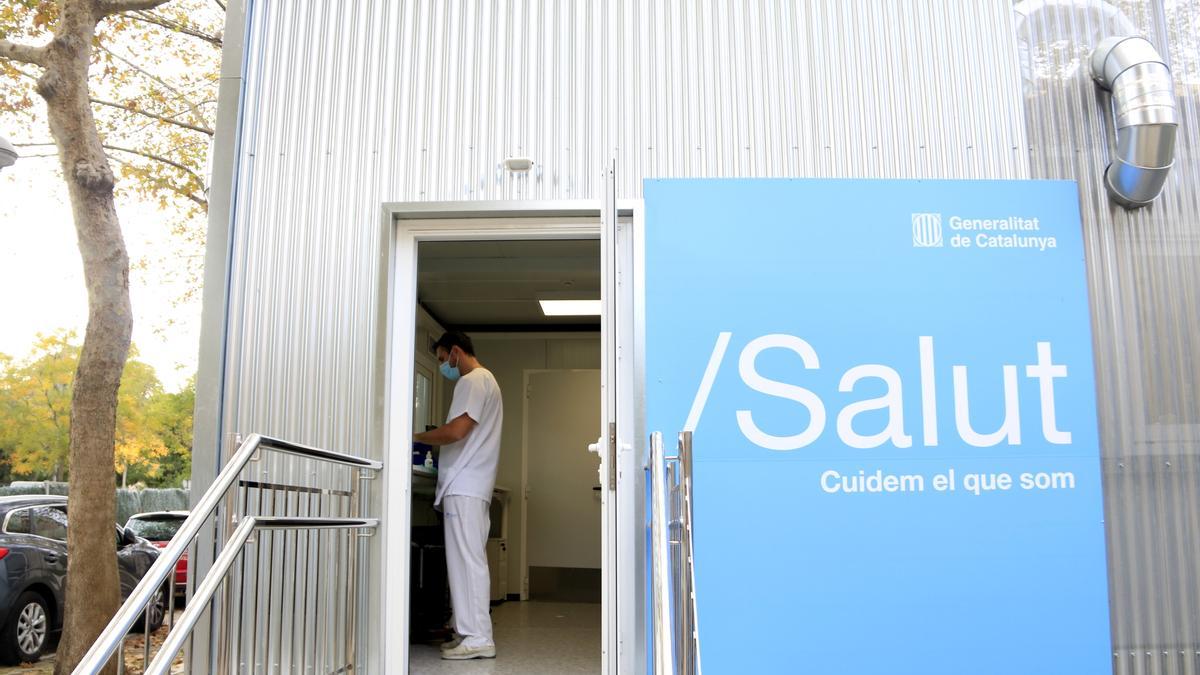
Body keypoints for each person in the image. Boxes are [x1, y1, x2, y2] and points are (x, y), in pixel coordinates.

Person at [413, 331, 503, 661]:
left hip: (465, 485)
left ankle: (478, 636)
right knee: (468, 561)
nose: (442, 367)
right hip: (471, 485)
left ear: (455, 353)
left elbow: (456, 431)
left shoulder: (473, 380)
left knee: (467, 562)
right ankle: (468, 631)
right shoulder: (486, 381)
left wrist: (415, 437)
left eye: (441, 360)